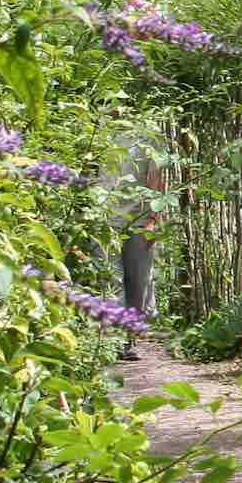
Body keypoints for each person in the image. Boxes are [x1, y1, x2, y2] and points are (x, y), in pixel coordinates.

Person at [110, 132, 166, 361]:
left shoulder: (149, 137)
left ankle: (130, 337)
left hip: (139, 220)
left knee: (139, 281)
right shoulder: (95, 129)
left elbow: (155, 179)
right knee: (112, 278)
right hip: (105, 219)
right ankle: (116, 341)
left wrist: (153, 219)